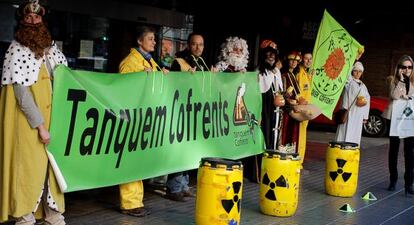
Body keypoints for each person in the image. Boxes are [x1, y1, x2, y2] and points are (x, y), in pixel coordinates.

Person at [0, 1, 67, 224]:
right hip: (28, 124)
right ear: (22, 21)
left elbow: (66, 82)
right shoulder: (16, 50)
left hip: (52, 120)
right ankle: (25, 216)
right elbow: (21, 94)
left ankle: (52, 213)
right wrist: (39, 125)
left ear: (42, 21)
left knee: (51, 169)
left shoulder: (52, 50)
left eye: (37, 18)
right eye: (28, 18)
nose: (33, 22)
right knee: (27, 168)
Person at [118, 25, 168, 217]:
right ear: (139, 41)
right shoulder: (131, 62)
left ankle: (135, 200)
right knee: (131, 161)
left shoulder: (150, 61)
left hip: (145, 117)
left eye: (154, 39)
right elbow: (125, 87)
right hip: (132, 118)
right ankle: (130, 203)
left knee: (138, 161)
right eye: (150, 39)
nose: (154, 42)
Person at [165, 32, 211, 201]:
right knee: (179, 150)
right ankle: (173, 187)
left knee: (189, 151)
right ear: (188, 45)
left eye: (201, 44)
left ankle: (183, 184)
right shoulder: (178, 62)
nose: (198, 47)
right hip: (181, 112)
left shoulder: (202, 62)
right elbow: (173, 85)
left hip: (195, 112)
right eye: (194, 44)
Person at [382, 55, 414, 194]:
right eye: (404, 67)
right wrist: (401, 81)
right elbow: (394, 95)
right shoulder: (392, 80)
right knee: (394, 150)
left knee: (410, 152)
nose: (407, 70)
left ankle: (409, 184)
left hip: (409, 119)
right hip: (393, 118)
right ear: (399, 68)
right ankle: (393, 180)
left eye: (409, 67)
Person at [334, 61, 370, 146]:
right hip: (348, 113)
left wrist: (365, 116)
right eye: (355, 71)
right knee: (344, 132)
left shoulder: (363, 86)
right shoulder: (348, 82)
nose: (357, 73)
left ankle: (352, 150)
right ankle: (340, 150)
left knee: (355, 134)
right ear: (352, 71)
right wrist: (355, 59)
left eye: (360, 71)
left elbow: (367, 100)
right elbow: (346, 72)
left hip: (358, 114)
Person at [257, 39, 283, 150]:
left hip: (276, 110)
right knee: (266, 135)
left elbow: (280, 89)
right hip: (265, 110)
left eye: (274, 53)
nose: (271, 56)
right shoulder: (259, 72)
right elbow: (262, 89)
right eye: (268, 52)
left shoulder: (277, 71)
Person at [295, 51, 313, 165]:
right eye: (306, 58)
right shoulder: (299, 73)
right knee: (299, 136)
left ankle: (300, 161)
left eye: (310, 59)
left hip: (306, 110)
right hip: (300, 109)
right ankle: (297, 161)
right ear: (302, 59)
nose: (308, 61)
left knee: (303, 136)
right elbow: (297, 91)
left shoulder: (307, 73)